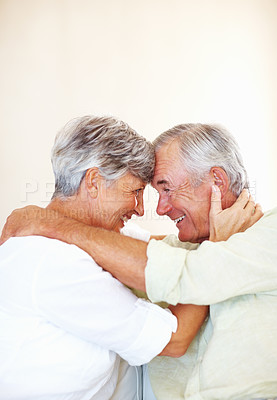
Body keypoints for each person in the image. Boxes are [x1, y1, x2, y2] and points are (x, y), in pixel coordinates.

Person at [1, 123, 270, 399]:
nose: (147, 209)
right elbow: (174, 333)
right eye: (135, 192)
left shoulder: (101, 239)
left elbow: (164, 257)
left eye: (162, 190)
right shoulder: (58, 262)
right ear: (94, 183)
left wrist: (44, 220)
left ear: (217, 181)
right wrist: (216, 245)